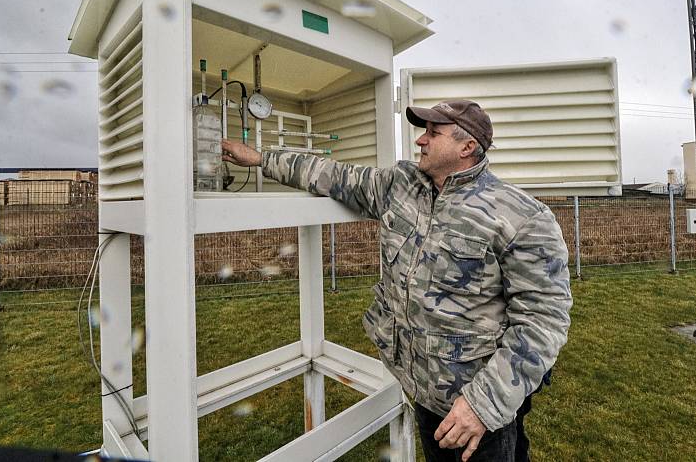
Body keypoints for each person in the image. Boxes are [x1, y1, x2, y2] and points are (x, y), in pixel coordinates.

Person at [221, 99, 572, 462]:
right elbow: (333, 175)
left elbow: (542, 323)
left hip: (475, 409)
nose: (422, 140)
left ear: (467, 147)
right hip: (423, 392)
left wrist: (482, 405)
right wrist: (262, 159)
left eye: (434, 133)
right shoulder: (400, 185)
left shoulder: (522, 217)